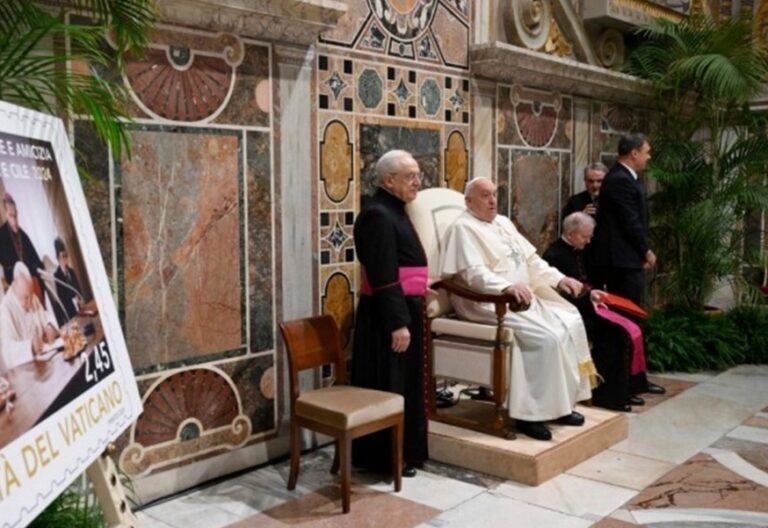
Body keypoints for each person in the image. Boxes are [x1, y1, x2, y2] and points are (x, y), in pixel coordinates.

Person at [439, 177, 597, 441]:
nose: (492, 201)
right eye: (484, 196)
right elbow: (473, 275)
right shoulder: (462, 229)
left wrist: (559, 279)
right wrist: (505, 287)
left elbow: (532, 261)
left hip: (520, 298)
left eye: (494, 194)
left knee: (567, 325)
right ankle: (529, 414)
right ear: (468, 201)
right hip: (486, 302)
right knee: (545, 339)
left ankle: (560, 405)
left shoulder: (503, 223)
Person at [351, 149, 428, 476]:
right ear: (388, 180)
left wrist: (423, 283)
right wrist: (398, 322)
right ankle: (384, 458)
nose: (417, 182)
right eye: (410, 176)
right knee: (389, 386)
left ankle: (404, 453)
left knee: (406, 386)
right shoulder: (378, 214)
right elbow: (383, 274)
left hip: (404, 308)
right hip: (387, 320)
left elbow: (403, 264)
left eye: (417, 175)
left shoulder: (393, 209)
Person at [543, 212, 649, 411]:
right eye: (585, 236)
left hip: (587, 304)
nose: (589, 240)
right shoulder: (554, 255)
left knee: (630, 326)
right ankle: (607, 395)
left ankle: (627, 389)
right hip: (571, 311)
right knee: (615, 332)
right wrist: (589, 299)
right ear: (572, 233)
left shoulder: (580, 249)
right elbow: (559, 294)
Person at [591, 134, 665, 395]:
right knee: (627, 321)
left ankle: (634, 380)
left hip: (625, 260)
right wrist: (644, 251)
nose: (649, 156)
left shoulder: (624, 178)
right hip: (619, 263)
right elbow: (629, 221)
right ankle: (624, 382)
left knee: (633, 321)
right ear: (633, 153)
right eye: (646, 151)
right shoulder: (620, 180)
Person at [0, 262, 59, 370]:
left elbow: (47, 316)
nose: (30, 302)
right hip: (25, 373)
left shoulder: (31, 297)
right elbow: (8, 353)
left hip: (45, 364)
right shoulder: (5, 309)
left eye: (31, 295)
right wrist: (30, 346)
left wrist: (50, 326)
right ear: (14, 287)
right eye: (25, 298)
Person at [0, 193, 44, 292]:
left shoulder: (23, 236)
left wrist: (37, 268)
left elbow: (35, 259)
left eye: (15, 215)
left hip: (31, 281)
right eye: (11, 216)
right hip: (14, 282)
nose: (14, 219)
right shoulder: (1, 235)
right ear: (6, 214)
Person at [52, 237, 83, 326]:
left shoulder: (71, 271)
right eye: (62, 257)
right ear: (58, 258)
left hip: (79, 308)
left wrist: (80, 299)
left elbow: (78, 289)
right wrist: (73, 300)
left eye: (66, 256)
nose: (65, 260)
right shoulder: (57, 276)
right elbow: (62, 299)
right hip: (69, 313)